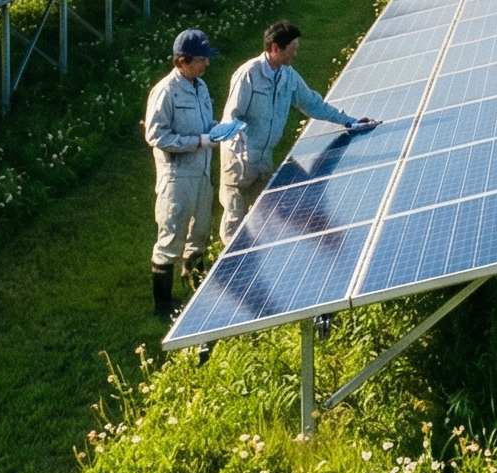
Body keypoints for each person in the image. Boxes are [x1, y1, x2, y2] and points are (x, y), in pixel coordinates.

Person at [219, 20, 378, 244]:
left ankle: (251, 261)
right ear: (276, 48)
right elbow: (231, 117)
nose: (296, 53)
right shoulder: (248, 75)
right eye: (293, 48)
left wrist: (349, 121)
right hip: (238, 160)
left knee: (266, 214)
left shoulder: (288, 76)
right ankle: (225, 270)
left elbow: (312, 103)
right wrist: (240, 151)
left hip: (263, 157)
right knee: (235, 219)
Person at [144, 28, 222, 321]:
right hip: (177, 177)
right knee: (171, 236)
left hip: (202, 173)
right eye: (201, 59)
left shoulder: (200, 86)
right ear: (181, 61)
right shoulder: (165, 92)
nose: (206, 64)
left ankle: (193, 285)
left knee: (200, 230)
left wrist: (218, 129)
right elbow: (156, 135)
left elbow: (204, 122)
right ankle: (162, 307)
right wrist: (198, 142)